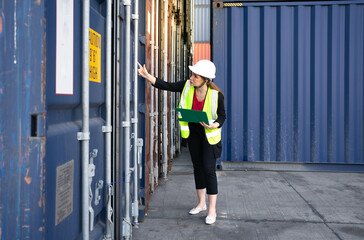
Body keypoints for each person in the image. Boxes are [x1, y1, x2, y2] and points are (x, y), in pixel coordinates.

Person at [137, 60, 226, 225]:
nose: (191, 78)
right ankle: (201, 203)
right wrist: (147, 76)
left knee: (208, 169)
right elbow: (167, 85)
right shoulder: (187, 86)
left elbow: (222, 116)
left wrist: (215, 124)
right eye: (192, 75)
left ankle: (212, 209)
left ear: (206, 80)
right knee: (198, 167)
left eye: (195, 76)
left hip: (209, 134)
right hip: (193, 133)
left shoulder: (216, 95)